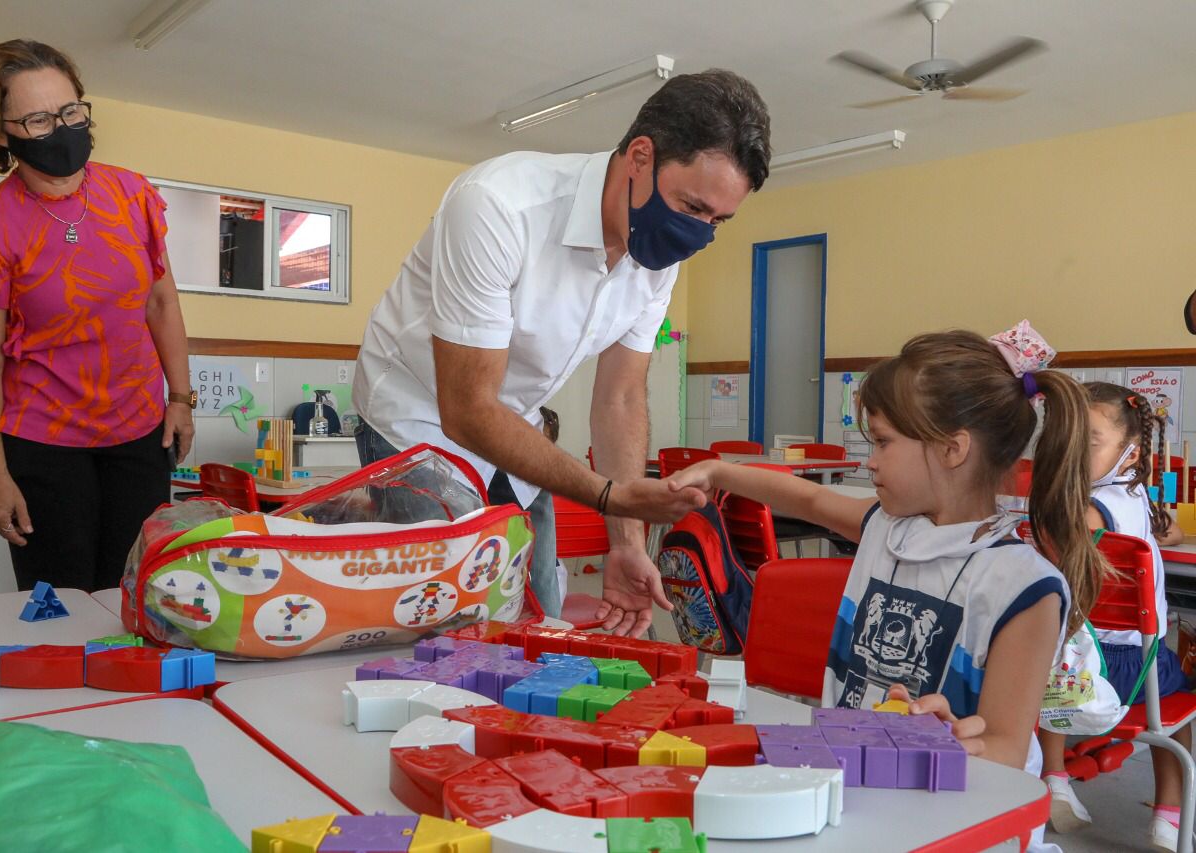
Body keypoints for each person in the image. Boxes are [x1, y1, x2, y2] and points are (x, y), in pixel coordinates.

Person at [352, 69, 772, 636]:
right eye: (691, 207)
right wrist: (608, 494)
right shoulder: (498, 206)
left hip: (513, 426)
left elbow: (621, 397)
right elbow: (467, 409)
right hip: (418, 418)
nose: (696, 235)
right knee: (438, 627)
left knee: (541, 618)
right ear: (640, 157)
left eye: (717, 221)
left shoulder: (656, 257)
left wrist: (624, 541)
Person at [668, 323, 1101, 787]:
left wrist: (949, 738)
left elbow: (1006, 750)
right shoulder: (886, 527)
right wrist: (719, 471)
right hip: (858, 787)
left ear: (952, 449)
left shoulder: (1024, 588)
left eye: (883, 442)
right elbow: (807, 499)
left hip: (960, 811)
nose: (870, 460)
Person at [0, 40, 194, 592]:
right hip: (44, 443)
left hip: (139, 431)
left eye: (70, 111)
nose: (62, 128)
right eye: (37, 119)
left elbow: (160, 301)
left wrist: (179, 398)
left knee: (139, 592)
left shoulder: (132, 196)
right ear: (0, 132)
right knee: (61, 603)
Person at [1037, 383, 1191, 851]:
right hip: (1137, 671)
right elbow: (1173, 530)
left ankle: (1055, 778)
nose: (1074, 453)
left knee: (1052, 670)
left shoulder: (1085, 508)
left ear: (1129, 451)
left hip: (1072, 676)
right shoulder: (1132, 494)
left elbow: (1064, 536)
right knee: (1181, 713)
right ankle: (1168, 815)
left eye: (1090, 443)